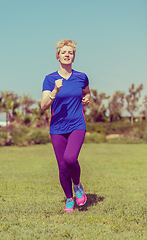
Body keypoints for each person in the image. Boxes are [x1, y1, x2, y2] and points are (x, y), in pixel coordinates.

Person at [41, 39, 91, 212]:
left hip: (77, 123)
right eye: (64, 52)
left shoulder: (81, 77)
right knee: (62, 166)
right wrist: (55, 91)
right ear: (58, 56)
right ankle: (69, 198)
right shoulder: (49, 79)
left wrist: (87, 98)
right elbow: (43, 105)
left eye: (70, 52)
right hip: (57, 128)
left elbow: (86, 92)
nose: (67, 55)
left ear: (74, 57)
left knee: (70, 159)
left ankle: (77, 186)